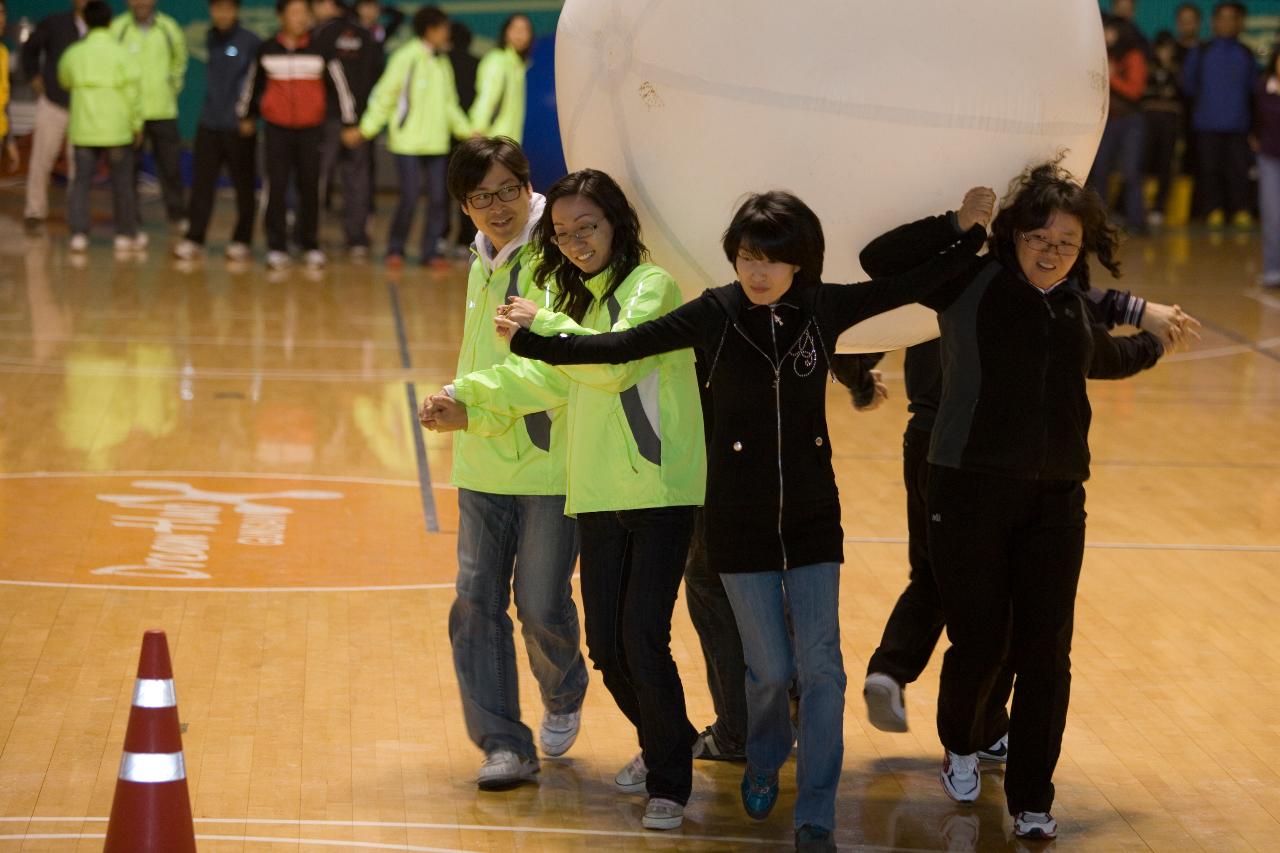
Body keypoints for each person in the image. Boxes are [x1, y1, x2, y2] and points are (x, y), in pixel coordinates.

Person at [498, 187, 989, 852]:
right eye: (747, 258)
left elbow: (914, 281)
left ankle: (814, 811)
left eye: (772, 260)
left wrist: (970, 234)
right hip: (737, 523)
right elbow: (624, 346)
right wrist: (534, 341)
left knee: (823, 671)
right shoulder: (716, 313)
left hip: (815, 518)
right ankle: (762, 756)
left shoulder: (826, 308)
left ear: (800, 263)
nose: (757, 272)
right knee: (770, 672)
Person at [862, 159, 1166, 841]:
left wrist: (1151, 344)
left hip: (1057, 499)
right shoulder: (969, 278)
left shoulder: (1070, 302)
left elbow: (1100, 361)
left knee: (1047, 652)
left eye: (1066, 242)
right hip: (965, 489)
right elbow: (877, 259)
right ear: (1013, 234)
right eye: (1040, 238)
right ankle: (961, 744)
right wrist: (956, 223)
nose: (1053, 252)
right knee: (981, 641)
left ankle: (1033, 797)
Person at [425, 169, 707, 833]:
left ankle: (670, 780)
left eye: (589, 228)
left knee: (642, 636)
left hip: (659, 492)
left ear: (618, 225)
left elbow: (612, 364)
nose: (577, 241)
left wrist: (541, 321)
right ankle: (665, 739)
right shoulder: (573, 298)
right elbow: (548, 374)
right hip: (596, 492)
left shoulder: (652, 286)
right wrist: (474, 397)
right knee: (609, 646)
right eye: (564, 233)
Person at [347, 5, 471, 269]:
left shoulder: (442, 61)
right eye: (443, 29)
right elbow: (385, 95)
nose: (446, 33)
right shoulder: (406, 57)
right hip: (407, 144)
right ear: (430, 30)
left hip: (437, 143)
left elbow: (450, 104)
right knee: (410, 197)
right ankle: (396, 248)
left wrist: (467, 131)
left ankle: (430, 252)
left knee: (439, 199)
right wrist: (367, 128)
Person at [239, 0, 358, 270]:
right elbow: (252, 85)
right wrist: (246, 115)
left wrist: (350, 121)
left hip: (311, 131)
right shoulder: (266, 49)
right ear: (281, 16)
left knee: (311, 188)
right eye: (294, 13)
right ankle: (277, 246)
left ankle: (310, 244)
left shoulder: (321, 50)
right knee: (276, 187)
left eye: (305, 13)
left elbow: (340, 87)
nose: (301, 18)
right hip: (276, 130)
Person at [173, 0, 260, 261]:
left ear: (236, 11)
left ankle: (242, 240)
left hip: (239, 127)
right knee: (201, 185)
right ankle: (194, 238)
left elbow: (256, 82)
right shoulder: (211, 37)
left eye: (228, 8)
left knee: (244, 187)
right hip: (209, 124)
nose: (222, 14)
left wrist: (249, 115)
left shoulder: (250, 42)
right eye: (217, 8)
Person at [58, 0, 142, 253]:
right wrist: (136, 124)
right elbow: (133, 92)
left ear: (85, 21)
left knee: (81, 182)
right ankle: (125, 235)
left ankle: (79, 234)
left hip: (84, 129)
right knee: (122, 182)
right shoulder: (122, 54)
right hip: (117, 130)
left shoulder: (74, 53)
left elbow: (64, 79)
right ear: (109, 22)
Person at [110, 0, 188, 232]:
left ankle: (177, 215)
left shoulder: (169, 27)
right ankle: (130, 220)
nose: (141, 2)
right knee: (128, 170)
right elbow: (111, 64)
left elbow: (179, 61)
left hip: (163, 111)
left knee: (171, 167)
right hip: (128, 115)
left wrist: (169, 88)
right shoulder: (118, 28)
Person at [311, 0, 379, 258]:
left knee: (317, 178)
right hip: (358, 120)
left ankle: (309, 237)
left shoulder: (321, 34)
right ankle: (357, 239)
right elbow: (375, 74)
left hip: (328, 119)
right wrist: (358, 118)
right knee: (357, 180)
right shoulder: (365, 35)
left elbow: (321, 74)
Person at [1184, 2, 1257, 229]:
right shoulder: (1201, 51)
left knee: (1238, 171)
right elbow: (1188, 86)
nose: (1226, 22)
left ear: (1239, 23)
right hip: (1206, 123)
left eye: (1231, 18)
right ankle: (1212, 210)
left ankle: (1240, 210)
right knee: (1209, 170)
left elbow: (1253, 90)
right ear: (1214, 22)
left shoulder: (1245, 53)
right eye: (1222, 18)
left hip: (1238, 125)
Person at [19, 0, 86, 230]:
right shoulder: (55, 23)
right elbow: (29, 50)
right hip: (53, 103)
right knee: (41, 159)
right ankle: (34, 211)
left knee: (80, 165)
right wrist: (34, 78)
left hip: (86, 108)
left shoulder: (102, 27)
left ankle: (76, 214)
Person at [1088, 15, 1149, 234]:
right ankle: (1099, 223)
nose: (1105, 33)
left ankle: (1137, 223)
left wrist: (1110, 76)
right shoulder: (1100, 54)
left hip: (1130, 121)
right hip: (1105, 121)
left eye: (1109, 30)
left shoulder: (1133, 56)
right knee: (1100, 172)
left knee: (1131, 172)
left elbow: (1135, 91)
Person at [1143, 31, 1186, 226]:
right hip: (1149, 120)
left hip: (1170, 122)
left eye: (1169, 49)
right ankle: (1134, 206)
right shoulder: (1148, 68)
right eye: (1161, 48)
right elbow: (1143, 92)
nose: (1165, 53)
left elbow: (1182, 94)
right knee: (1142, 162)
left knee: (1165, 164)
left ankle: (1159, 208)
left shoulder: (1179, 70)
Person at [469, 14, 532, 142]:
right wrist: (478, 129)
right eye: (515, 29)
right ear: (505, 32)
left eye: (525, 30)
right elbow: (487, 97)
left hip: (510, 141)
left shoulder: (518, 64)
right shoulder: (497, 61)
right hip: (494, 141)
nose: (520, 34)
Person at [1253, 45, 1280, 286]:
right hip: (1270, 158)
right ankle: (1272, 268)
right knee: (1272, 214)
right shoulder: (1263, 87)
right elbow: (1253, 117)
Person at [0, 0, 18, 175]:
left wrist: (10, 142)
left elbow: (4, 103)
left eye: (2, 13)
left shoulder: (4, 53)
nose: (1, 19)